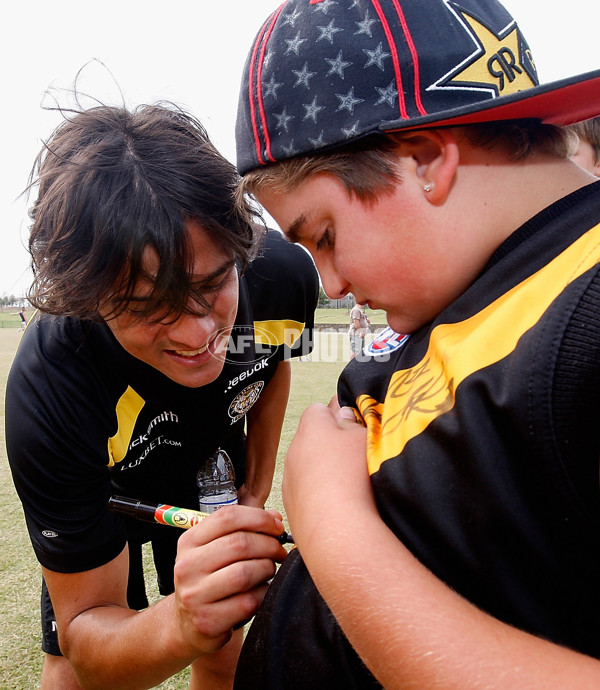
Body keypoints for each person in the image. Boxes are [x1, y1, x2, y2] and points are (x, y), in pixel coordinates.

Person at [232, 0, 600, 687]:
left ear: (426, 159)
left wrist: (333, 525)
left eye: (327, 236)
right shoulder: (469, 287)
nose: (334, 284)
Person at [5, 101, 318, 689]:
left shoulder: (282, 277)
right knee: (70, 673)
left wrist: (254, 486)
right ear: (87, 297)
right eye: (149, 308)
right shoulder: (53, 382)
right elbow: (90, 641)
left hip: (207, 482)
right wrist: (177, 621)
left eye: (213, 283)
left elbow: (272, 369)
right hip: (110, 502)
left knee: (223, 642)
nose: (200, 335)